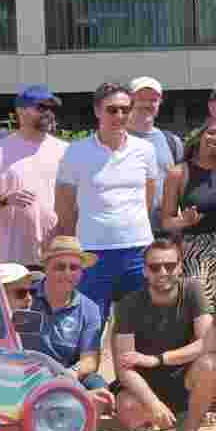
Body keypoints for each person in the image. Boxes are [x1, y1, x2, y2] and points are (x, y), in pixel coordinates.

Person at [111, 236, 216, 431]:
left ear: (180, 267)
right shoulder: (128, 304)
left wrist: (159, 359)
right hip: (144, 383)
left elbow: (208, 344)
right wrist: (153, 404)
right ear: (144, 271)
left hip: (182, 378)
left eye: (170, 266)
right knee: (128, 405)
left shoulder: (192, 290)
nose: (163, 272)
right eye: (155, 267)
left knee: (212, 364)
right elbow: (124, 368)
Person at [57, 82, 161, 312]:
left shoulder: (145, 150)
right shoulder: (76, 151)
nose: (119, 115)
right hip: (93, 251)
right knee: (91, 323)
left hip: (138, 249)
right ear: (97, 111)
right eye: (112, 109)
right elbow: (64, 206)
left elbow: (148, 199)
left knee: (138, 323)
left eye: (125, 109)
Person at [22, 235, 115, 421]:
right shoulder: (24, 295)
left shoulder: (89, 308)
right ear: (46, 268)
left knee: (100, 391)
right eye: (59, 267)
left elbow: (89, 360)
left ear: (81, 272)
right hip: (25, 373)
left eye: (74, 268)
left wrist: (68, 375)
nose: (67, 273)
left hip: (67, 374)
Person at [162, 120, 216, 312]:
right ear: (201, 135)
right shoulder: (178, 173)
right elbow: (166, 222)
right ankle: (203, 343)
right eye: (211, 133)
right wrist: (184, 221)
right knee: (202, 309)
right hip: (195, 250)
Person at [0, 86, 66, 266]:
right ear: (20, 111)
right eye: (41, 108)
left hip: (55, 256)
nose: (48, 113)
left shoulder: (65, 151)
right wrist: (5, 198)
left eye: (51, 109)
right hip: (12, 257)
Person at [127, 75, 184, 191]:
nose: (147, 104)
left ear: (160, 102)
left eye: (153, 100)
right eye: (142, 99)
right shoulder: (115, 139)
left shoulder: (172, 142)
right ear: (129, 100)